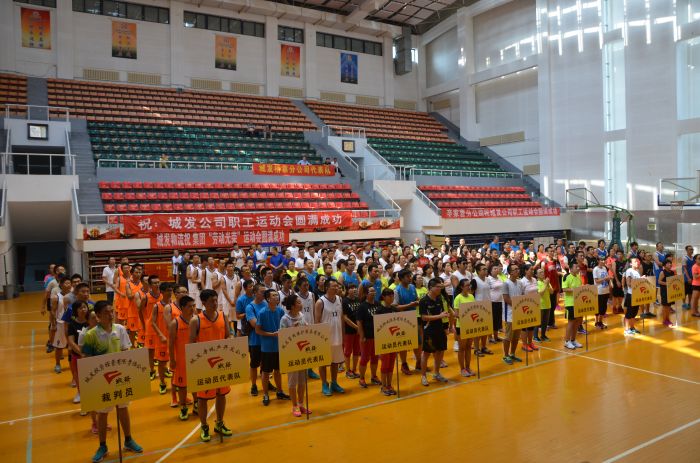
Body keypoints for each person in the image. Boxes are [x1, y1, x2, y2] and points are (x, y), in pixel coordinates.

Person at [82, 301, 143, 462]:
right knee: (102, 413)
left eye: (111, 311)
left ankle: (128, 440)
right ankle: (102, 446)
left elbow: (126, 351)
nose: (111, 315)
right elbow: (87, 360)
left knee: (123, 408)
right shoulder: (91, 335)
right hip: (102, 381)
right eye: (106, 312)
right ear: (98, 315)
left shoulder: (120, 329)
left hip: (119, 378)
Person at [189, 289, 233, 442]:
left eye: (216, 300)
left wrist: (230, 341)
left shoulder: (223, 316)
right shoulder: (196, 320)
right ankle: (204, 426)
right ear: (203, 303)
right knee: (203, 398)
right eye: (211, 301)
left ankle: (219, 422)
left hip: (221, 363)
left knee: (221, 394)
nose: (215, 303)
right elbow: (191, 344)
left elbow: (228, 335)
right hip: (204, 366)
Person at [255, 290, 291, 406]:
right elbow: (258, 330)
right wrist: (271, 335)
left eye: (277, 295)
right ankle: (266, 394)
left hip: (279, 346)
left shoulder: (280, 311)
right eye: (274, 295)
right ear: (268, 299)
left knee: (278, 370)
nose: (277, 297)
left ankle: (279, 392)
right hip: (267, 348)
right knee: (266, 372)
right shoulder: (262, 313)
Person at [280, 295, 312, 417]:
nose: (301, 304)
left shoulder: (302, 316)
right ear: (292, 306)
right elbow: (282, 336)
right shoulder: (285, 319)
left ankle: (301, 403)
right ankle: (294, 406)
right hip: (291, 354)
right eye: (298, 302)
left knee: (302, 381)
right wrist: (292, 329)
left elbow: (306, 330)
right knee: (292, 381)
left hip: (302, 353)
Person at [314, 279, 345, 396]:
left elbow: (341, 317)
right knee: (323, 362)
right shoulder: (320, 302)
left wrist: (343, 334)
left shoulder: (339, 299)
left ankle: (334, 382)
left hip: (337, 335)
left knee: (335, 361)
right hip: (325, 337)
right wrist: (319, 339)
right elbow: (317, 321)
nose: (336, 288)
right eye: (334, 286)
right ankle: (324, 384)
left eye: (337, 286)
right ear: (327, 288)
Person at [168, 295, 197, 420]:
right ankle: (183, 407)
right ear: (182, 307)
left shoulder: (196, 320)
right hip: (181, 359)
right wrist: (172, 360)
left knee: (195, 382)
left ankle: (196, 403)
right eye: (189, 306)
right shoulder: (175, 323)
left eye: (193, 306)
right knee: (182, 385)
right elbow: (170, 343)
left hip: (195, 358)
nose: (192, 308)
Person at [419, 278, 450, 386]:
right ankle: (423, 376)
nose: (440, 289)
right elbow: (424, 317)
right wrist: (440, 316)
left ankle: (436, 373)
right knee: (426, 353)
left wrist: (445, 317)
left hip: (440, 328)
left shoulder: (439, 298)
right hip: (429, 330)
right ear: (431, 287)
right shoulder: (423, 301)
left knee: (439, 352)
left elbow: (441, 313)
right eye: (438, 287)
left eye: (441, 287)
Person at [392, 269, 419, 375]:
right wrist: (410, 305)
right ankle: (404, 364)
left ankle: (419, 362)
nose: (410, 278)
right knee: (404, 344)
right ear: (401, 278)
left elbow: (416, 298)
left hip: (413, 317)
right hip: (402, 319)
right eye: (408, 276)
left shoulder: (412, 287)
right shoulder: (397, 290)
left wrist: (418, 302)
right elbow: (395, 307)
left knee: (418, 341)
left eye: (410, 276)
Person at [355, 286, 382, 389]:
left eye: (374, 291)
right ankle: (361, 378)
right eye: (371, 291)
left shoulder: (378, 304)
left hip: (377, 336)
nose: (374, 293)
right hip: (367, 337)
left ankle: (374, 376)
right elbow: (359, 322)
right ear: (366, 294)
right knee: (365, 358)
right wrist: (362, 336)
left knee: (375, 357)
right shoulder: (362, 306)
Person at [245, 284, 267, 397]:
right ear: (255, 293)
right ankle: (253, 385)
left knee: (265, 365)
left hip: (266, 339)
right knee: (254, 365)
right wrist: (267, 322)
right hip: (255, 341)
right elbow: (254, 324)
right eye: (262, 292)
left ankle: (266, 383)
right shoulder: (250, 307)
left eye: (265, 292)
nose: (264, 294)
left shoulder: (266, 304)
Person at [151, 283, 173, 395]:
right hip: (162, 338)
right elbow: (153, 322)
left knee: (173, 361)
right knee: (161, 362)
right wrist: (160, 335)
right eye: (168, 290)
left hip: (172, 338)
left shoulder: (174, 305)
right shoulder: (157, 306)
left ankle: (174, 383)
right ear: (162, 292)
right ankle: (162, 383)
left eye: (171, 290)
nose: (170, 292)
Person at [376, 288, 399, 395]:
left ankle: (389, 384)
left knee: (391, 364)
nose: (391, 298)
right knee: (385, 364)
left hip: (393, 341)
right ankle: (383, 386)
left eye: (392, 296)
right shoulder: (379, 310)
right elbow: (377, 327)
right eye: (389, 296)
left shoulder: (395, 309)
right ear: (384, 297)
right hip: (383, 341)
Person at [502, 264, 524, 365]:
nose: (517, 270)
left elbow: (522, 296)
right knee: (508, 336)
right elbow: (506, 299)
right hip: (509, 314)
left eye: (518, 269)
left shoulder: (520, 283)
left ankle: (512, 354)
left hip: (519, 313)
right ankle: (506, 355)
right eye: (515, 269)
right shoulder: (506, 283)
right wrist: (517, 306)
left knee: (516, 336)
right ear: (510, 272)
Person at [453, 279, 475, 377]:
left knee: (469, 347)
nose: (469, 287)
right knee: (462, 348)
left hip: (470, 325)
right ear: (462, 287)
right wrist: (466, 316)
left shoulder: (471, 296)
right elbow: (456, 314)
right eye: (467, 285)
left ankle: (468, 367)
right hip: (461, 326)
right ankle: (462, 369)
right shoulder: (458, 298)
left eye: (469, 285)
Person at [51, 276, 72, 373]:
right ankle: (57, 364)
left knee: (72, 345)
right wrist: (53, 324)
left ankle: (73, 364)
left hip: (71, 323)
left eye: (69, 283)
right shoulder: (57, 297)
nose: (68, 285)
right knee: (59, 346)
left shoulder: (73, 296)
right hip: (61, 323)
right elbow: (53, 311)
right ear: (61, 285)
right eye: (66, 283)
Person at [562, 263, 584, 349]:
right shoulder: (566, 277)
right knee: (571, 322)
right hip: (570, 303)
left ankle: (573, 340)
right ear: (571, 269)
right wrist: (574, 290)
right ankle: (567, 341)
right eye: (576, 267)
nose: (578, 268)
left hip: (578, 302)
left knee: (577, 322)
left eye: (578, 267)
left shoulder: (578, 277)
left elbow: (580, 287)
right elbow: (564, 289)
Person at [124, 264, 144, 347]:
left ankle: (141, 347)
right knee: (132, 331)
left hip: (142, 311)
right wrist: (139, 293)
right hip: (132, 312)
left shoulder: (143, 283)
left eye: (139, 272)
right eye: (136, 272)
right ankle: (132, 347)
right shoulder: (128, 284)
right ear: (132, 273)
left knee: (142, 330)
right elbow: (129, 296)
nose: (138, 274)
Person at [624, 258, 643, 335]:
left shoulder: (637, 272)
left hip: (637, 294)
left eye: (637, 261)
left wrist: (642, 279)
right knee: (629, 313)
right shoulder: (629, 271)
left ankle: (632, 328)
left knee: (634, 313)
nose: (637, 262)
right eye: (635, 261)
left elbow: (637, 282)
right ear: (631, 263)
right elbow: (629, 283)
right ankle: (626, 329)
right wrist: (639, 281)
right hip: (631, 294)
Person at [534, 268, 553, 342]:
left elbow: (551, 292)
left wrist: (547, 284)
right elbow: (540, 293)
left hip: (547, 304)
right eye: (540, 272)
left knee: (545, 322)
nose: (542, 273)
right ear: (536, 275)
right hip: (540, 305)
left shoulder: (546, 282)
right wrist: (545, 284)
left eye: (543, 272)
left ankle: (543, 335)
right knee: (538, 322)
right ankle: (535, 336)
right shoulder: (536, 283)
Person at [593, 258, 611, 329]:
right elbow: (596, 281)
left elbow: (606, 277)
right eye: (601, 260)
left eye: (604, 260)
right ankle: (596, 322)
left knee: (604, 307)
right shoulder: (595, 269)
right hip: (599, 291)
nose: (603, 261)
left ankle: (600, 322)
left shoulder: (604, 268)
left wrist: (609, 279)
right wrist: (605, 279)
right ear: (598, 261)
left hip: (605, 290)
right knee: (598, 307)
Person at [658, 257, 675, 327]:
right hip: (664, 291)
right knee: (665, 307)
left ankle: (668, 319)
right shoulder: (663, 272)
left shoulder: (672, 272)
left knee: (669, 307)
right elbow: (659, 281)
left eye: (670, 263)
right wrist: (667, 284)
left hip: (670, 291)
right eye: (668, 263)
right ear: (664, 265)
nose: (670, 264)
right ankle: (665, 320)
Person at [682, 246, 695, 310]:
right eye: (690, 249)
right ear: (686, 250)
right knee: (684, 292)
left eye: (692, 249)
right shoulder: (685, 258)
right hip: (686, 278)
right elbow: (685, 269)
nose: (691, 250)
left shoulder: (694, 258)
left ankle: (689, 303)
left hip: (692, 277)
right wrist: (688, 278)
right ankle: (684, 304)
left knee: (690, 292)